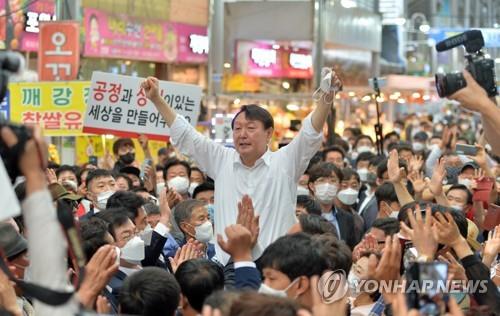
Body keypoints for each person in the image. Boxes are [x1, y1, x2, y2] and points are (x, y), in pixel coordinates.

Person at [142, 71, 342, 265]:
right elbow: (187, 136)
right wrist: (157, 100)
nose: (242, 134)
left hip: (276, 266)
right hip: (229, 265)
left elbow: (310, 134)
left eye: (251, 128)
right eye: (237, 129)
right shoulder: (221, 159)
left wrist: (327, 96)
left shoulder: (286, 162)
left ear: (269, 133)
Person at [307, 162, 358, 248]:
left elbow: (350, 248)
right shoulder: (304, 215)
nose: (327, 185)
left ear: (339, 186)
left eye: (333, 181)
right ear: (312, 186)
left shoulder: (347, 218)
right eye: (321, 180)